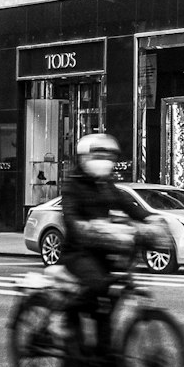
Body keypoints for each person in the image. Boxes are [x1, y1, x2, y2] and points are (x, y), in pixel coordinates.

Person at [59, 132, 136, 350]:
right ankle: (66, 314)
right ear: (83, 159)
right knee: (98, 286)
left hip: (104, 251)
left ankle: (107, 357)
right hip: (78, 253)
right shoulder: (72, 185)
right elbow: (71, 217)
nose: (104, 163)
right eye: (98, 157)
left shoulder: (106, 185)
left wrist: (152, 219)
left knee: (111, 297)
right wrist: (86, 226)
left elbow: (128, 205)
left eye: (108, 158)